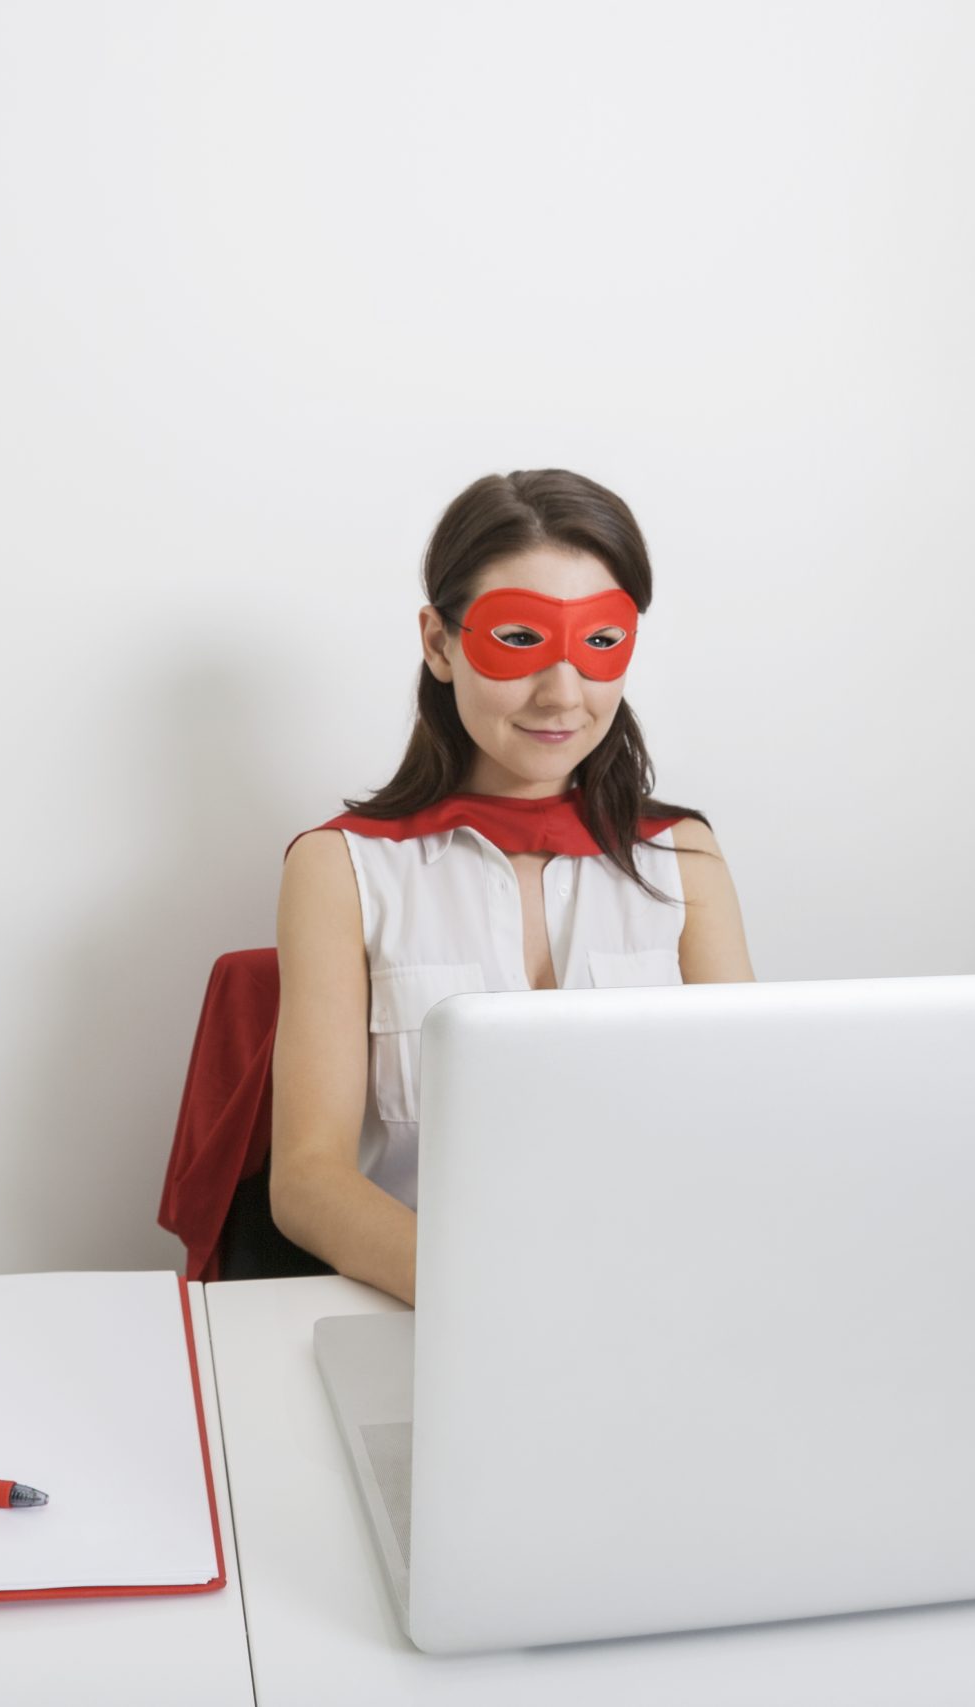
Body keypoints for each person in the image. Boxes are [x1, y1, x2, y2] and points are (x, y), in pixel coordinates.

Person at [268, 469, 757, 1305]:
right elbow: (309, 1178)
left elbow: (755, 1123)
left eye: (600, 644)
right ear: (439, 642)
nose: (563, 693)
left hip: (662, 1297)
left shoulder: (686, 859)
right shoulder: (340, 868)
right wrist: (495, 1298)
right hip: (430, 1310)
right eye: (521, 640)